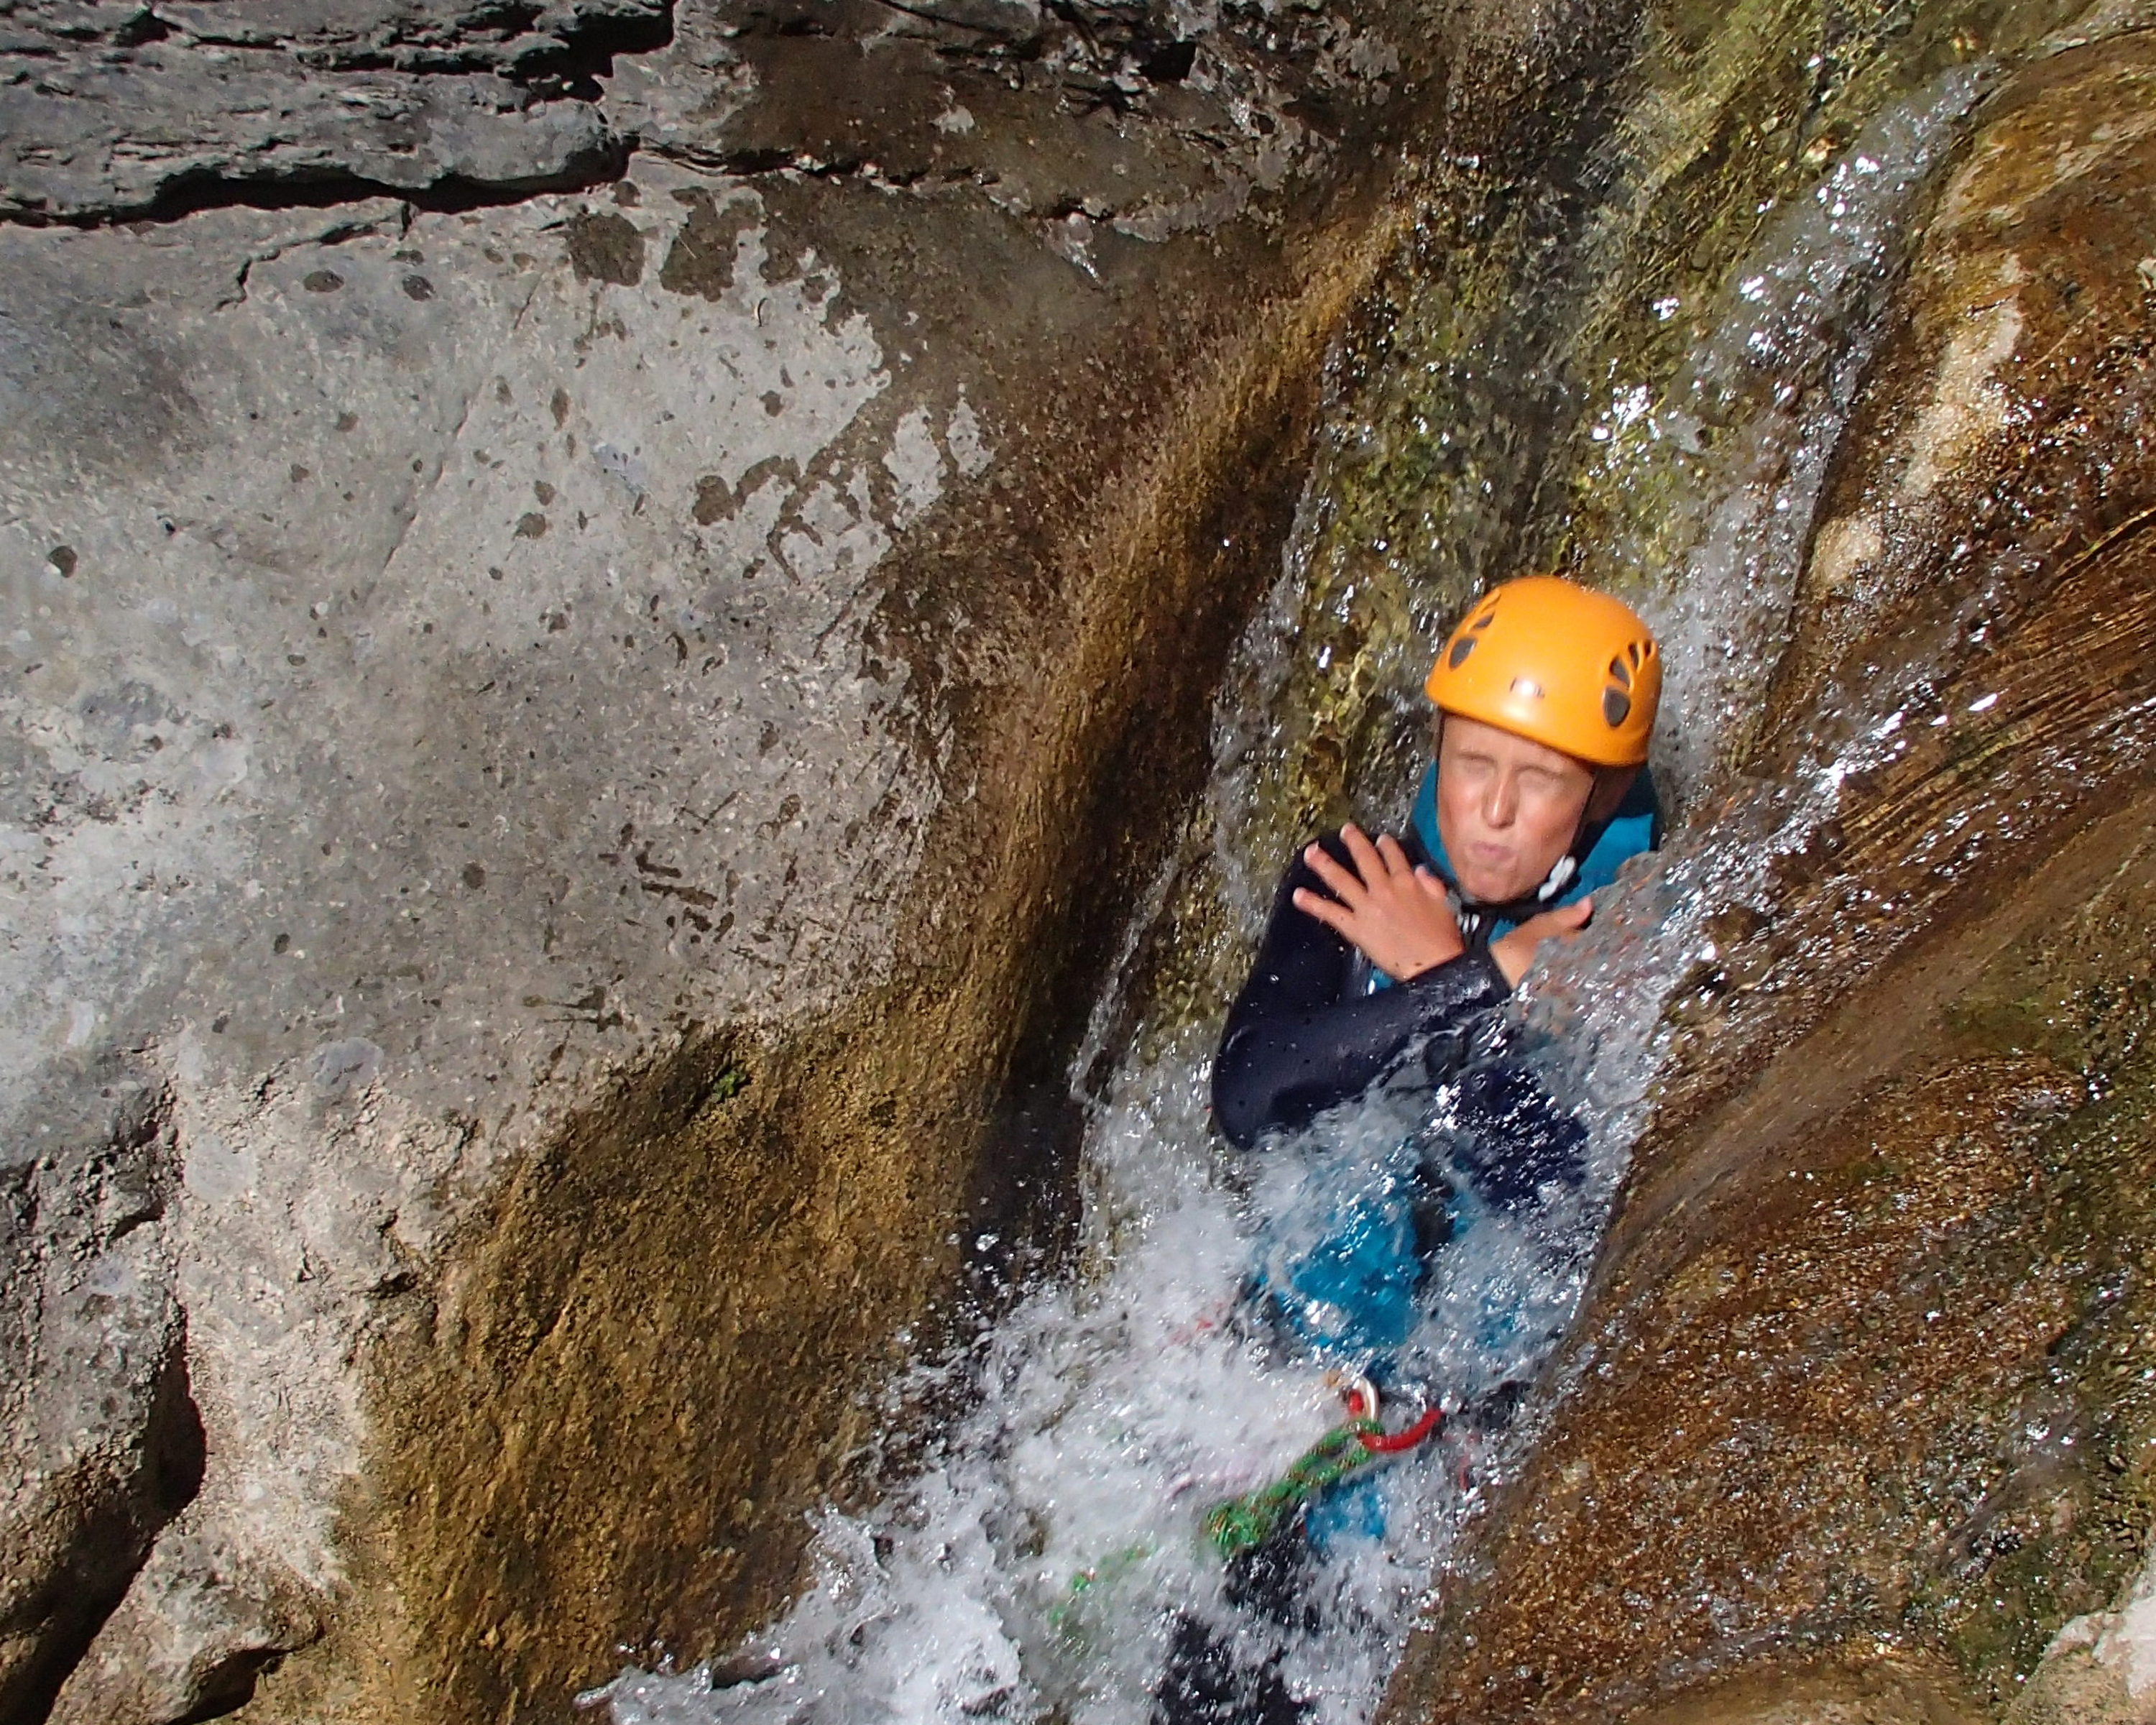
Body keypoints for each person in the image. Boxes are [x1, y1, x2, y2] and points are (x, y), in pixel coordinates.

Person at [1151, 577, 1662, 1725]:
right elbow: (1251, 1095)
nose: (1489, 810)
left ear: (1603, 797)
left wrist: (1468, 1000)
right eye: (1472, 762)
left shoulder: (1637, 936)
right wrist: (1467, 984)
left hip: (1467, 1437)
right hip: (1301, 1397)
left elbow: (1572, 1206)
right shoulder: (1355, 877)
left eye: (1538, 786)